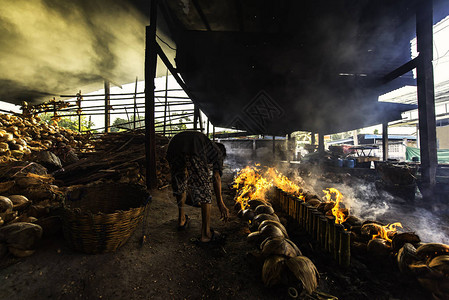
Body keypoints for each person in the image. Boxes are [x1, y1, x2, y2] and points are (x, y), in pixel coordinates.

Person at [166, 131, 229, 243]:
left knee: (180, 183)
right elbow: (216, 177)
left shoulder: (207, 146)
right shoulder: (218, 153)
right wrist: (220, 203)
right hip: (192, 146)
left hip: (173, 147)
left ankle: (181, 220)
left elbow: (188, 170)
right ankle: (206, 234)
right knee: (205, 189)